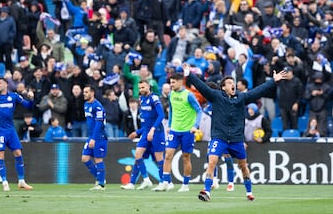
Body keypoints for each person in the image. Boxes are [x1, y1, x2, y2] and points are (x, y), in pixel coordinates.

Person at [181, 63, 288, 202]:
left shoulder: (241, 98)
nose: (233, 85)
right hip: (219, 138)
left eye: (234, 82)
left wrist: (273, 81)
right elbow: (202, 87)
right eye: (230, 83)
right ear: (223, 87)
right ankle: (206, 191)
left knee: (243, 166)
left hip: (236, 139)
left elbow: (257, 91)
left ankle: (249, 192)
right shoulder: (216, 96)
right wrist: (189, 74)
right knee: (212, 160)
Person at [154, 73, 202, 192]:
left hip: (187, 131)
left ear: (180, 82)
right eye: (170, 82)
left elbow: (199, 110)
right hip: (174, 130)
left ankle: (185, 185)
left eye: (173, 82)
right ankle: (165, 182)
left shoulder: (189, 95)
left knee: (186, 158)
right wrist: (170, 125)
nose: (171, 85)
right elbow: (171, 111)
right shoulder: (171, 94)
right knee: (168, 155)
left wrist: (195, 126)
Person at [121, 80, 166, 190]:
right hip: (146, 133)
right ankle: (142, 180)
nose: (141, 90)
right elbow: (146, 122)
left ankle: (163, 182)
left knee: (159, 157)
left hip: (157, 132)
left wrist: (153, 130)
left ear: (149, 87)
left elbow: (161, 115)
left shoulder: (154, 98)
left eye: (143, 87)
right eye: (140, 88)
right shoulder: (142, 99)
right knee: (138, 155)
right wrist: (138, 132)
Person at [81, 84, 108, 190]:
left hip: (99, 136)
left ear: (92, 93)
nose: (84, 94)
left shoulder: (98, 107)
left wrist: (94, 138)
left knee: (98, 159)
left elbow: (98, 123)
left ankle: (101, 184)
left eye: (86, 92)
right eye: (84, 92)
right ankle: (100, 177)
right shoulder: (86, 105)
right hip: (91, 135)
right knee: (85, 158)